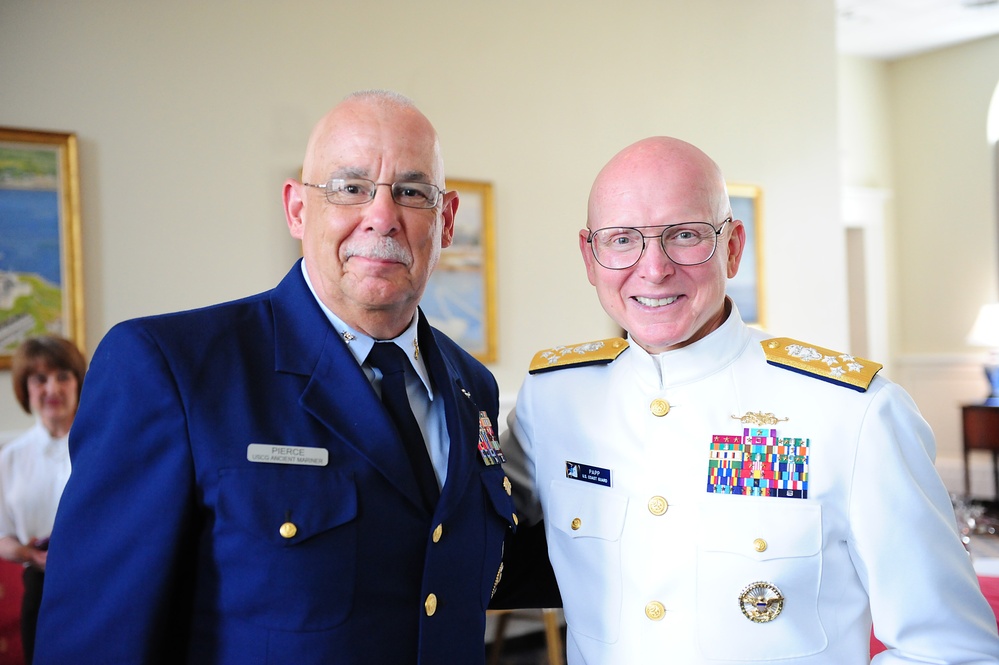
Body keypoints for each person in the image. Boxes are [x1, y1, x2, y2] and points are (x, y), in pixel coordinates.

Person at [35, 90, 523, 665]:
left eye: (411, 192)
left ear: (445, 221)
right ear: (296, 209)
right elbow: (95, 642)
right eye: (351, 187)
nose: (382, 216)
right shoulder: (172, 368)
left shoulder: (473, 388)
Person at [502, 136, 999, 663]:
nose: (653, 269)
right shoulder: (554, 399)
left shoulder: (853, 412)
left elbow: (951, 648)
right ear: (590, 254)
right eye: (622, 239)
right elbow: (459, 541)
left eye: (685, 235)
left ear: (734, 246)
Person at [0, 335, 85, 664]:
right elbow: (2, 537)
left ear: (78, 382)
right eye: (40, 379)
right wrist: (33, 557)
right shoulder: (9, 459)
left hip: (97, 581)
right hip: (41, 586)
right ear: (25, 389)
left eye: (63, 376)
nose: (53, 389)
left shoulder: (103, 451)